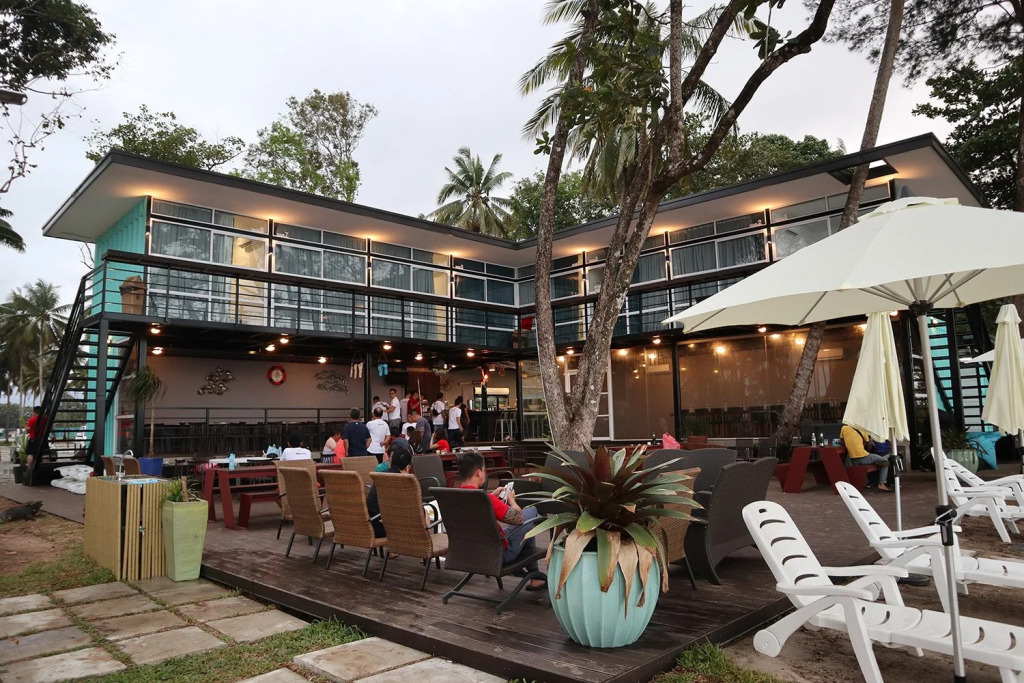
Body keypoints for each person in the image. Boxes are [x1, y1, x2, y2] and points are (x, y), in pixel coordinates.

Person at [457, 451, 545, 590]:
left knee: (524, 530)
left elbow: (477, 504)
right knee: (531, 512)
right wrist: (511, 500)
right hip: (498, 554)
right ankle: (534, 575)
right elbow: (519, 518)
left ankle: (535, 577)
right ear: (478, 472)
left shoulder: (455, 495)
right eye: (484, 470)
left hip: (470, 554)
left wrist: (492, 496)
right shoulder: (485, 499)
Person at [366, 444, 414, 538]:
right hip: (388, 529)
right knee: (423, 512)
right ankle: (423, 543)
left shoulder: (381, 477)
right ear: (407, 467)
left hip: (371, 525)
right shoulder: (404, 482)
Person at [840, 423, 892, 492]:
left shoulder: (844, 428)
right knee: (885, 462)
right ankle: (882, 483)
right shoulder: (862, 429)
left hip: (852, 459)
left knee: (876, 461)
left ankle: (873, 480)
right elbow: (868, 444)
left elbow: (842, 441)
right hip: (863, 457)